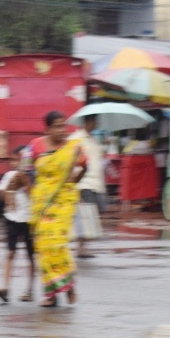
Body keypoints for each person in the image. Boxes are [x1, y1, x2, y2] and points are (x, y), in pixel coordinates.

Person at [28, 111, 86, 308]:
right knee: (42, 247)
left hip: (63, 201)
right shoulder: (35, 146)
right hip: (42, 202)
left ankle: (69, 287)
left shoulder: (73, 148)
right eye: (57, 126)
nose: (62, 130)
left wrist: (73, 182)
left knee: (57, 243)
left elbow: (85, 166)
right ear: (47, 129)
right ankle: (51, 294)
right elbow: (24, 169)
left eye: (64, 126)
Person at [0, 147, 35, 303]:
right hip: (12, 218)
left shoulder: (32, 177)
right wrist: (10, 191)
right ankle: (5, 287)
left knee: (30, 256)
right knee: (10, 252)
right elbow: (1, 194)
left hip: (29, 219)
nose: (15, 163)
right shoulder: (9, 176)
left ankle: (29, 290)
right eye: (12, 160)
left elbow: (35, 197)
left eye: (17, 160)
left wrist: (25, 185)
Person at [71, 114, 107, 258]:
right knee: (85, 214)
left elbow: (98, 161)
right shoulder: (76, 138)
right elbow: (71, 158)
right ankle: (81, 247)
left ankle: (83, 245)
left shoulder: (93, 140)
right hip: (83, 182)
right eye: (94, 121)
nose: (96, 124)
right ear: (87, 121)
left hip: (96, 183)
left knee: (96, 211)